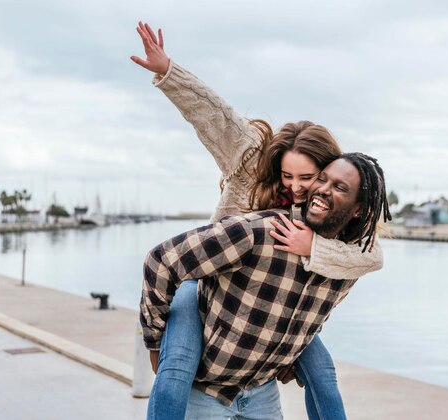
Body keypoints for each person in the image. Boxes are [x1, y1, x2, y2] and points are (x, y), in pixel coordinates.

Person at [131, 22, 384, 419]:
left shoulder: (325, 218)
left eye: (309, 178)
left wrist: (312, 248)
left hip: (269, 307)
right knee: (176, 364)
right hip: (210, 279)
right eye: (288, 176)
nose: (298, 188)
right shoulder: (250, 161)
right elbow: (214, 115)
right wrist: (168, 72)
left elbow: (366, 258)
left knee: (322, 372)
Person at [141, 153, 391, 418]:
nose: (323, 190)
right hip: (205, 393)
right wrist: (156, 341)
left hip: (261, 394)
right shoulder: (260, 232)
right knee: (175, 367)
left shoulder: (348, 263)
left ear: (359, 209)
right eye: (322, 179)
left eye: (339, 187)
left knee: (323, 373)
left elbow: (314, 316)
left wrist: (289, 354)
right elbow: (161, 260)